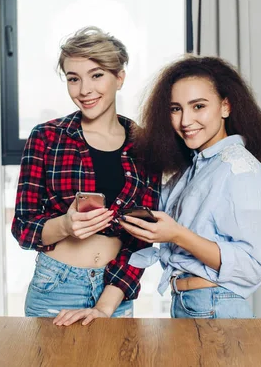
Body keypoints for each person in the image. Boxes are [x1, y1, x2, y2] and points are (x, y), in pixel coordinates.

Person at [12, 26, 160, 325]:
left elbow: (142, 240)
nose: (84, 90)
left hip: (113, 292)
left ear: (119, 78)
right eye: (73, 79)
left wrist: (106, 305)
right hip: (55, 288)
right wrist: (65, 225)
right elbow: (23, 227)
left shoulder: (146, 146)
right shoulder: (46, 137)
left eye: (97, 75)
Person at [121, 55, 261, 319]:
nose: (185, 121)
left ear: (226, 106)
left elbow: (251, 266)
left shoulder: (239, 168)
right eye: (175, 109)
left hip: (215, 306)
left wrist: (176, 235)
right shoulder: (193, 168)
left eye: (198, 106)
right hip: (189, 303)